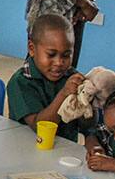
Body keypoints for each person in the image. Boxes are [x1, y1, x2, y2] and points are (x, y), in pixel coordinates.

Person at [7, 13, 85, 143]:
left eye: (66, 55)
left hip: (65, 153)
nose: (59, 62)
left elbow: (86, 124)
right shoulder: (21, 82)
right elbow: (39, 126)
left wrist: (90, 99)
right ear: (32, 49)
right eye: (51, 54)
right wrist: (64, 94)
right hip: (25, 148)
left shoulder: (71, 77)